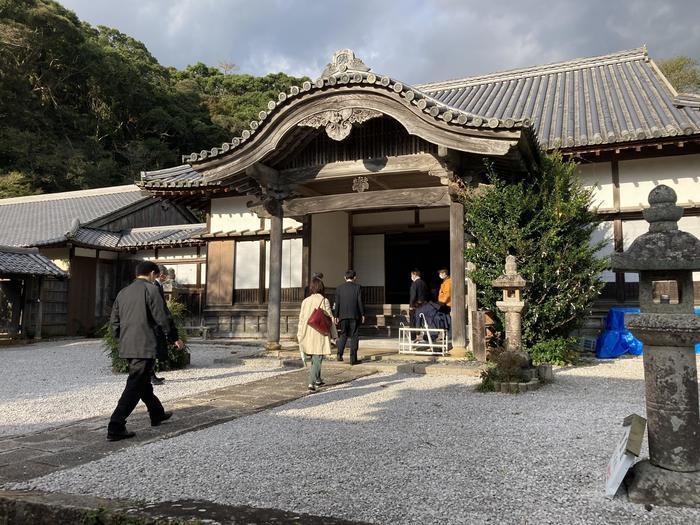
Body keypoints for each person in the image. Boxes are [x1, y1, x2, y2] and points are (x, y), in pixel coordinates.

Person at [107, 261, 184, 441]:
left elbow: (114, 322)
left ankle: (156, 413)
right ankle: (115, 425)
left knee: (142, 382)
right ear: (151, 274)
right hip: (145, 344)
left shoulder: (123, 292)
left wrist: (121, 339)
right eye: (156, 276)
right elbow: (163, 316)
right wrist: (174, 337)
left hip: (128, 345)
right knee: (135, 385)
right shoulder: (151, 290)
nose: (156, 279)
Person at [297, 276, 337, 392]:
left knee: (315, 356)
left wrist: (299, 334)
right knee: (318, 356)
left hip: (308, 331)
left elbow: (301, 318)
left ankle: (318, 379)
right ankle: (311, 382)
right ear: (321, 287)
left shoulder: (305, 301)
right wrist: (334, 334)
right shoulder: (324, 300)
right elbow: (330, 319)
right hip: (320, 332)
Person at [332, 270, 365, 364]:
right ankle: (353, 359)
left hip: (342, 316)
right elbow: (360, 302)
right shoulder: (358, 287)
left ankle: (339, 354)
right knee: (354, 336)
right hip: (354, 315)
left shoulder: (339, 288)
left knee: (343, 335)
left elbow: (337, 303)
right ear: (354, 277)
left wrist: (336, 315)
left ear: (344, 277)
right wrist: (362, 314)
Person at [150, 264, 173, 385]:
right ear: (162, 275)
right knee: (152, 349)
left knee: (154, 349)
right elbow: (158, 306)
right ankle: (151, 376)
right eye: (165, 275)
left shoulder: (158, 285)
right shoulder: (154, 286)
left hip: (156, 321)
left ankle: (152, 375)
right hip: (154, 322)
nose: (166, 278)